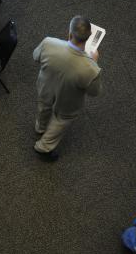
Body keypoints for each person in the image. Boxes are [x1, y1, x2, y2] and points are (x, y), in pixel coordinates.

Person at [32, 16, 102, 161]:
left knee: (43, 107)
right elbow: (95, 92)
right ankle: (44, 147)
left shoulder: (48, 43)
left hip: (45, 88)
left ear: (69, 34)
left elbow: (35, 56)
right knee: (60, 121)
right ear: (88, 37)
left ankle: (40, 127)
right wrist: (94, 62)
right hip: (67, 102)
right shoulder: (91, 68)